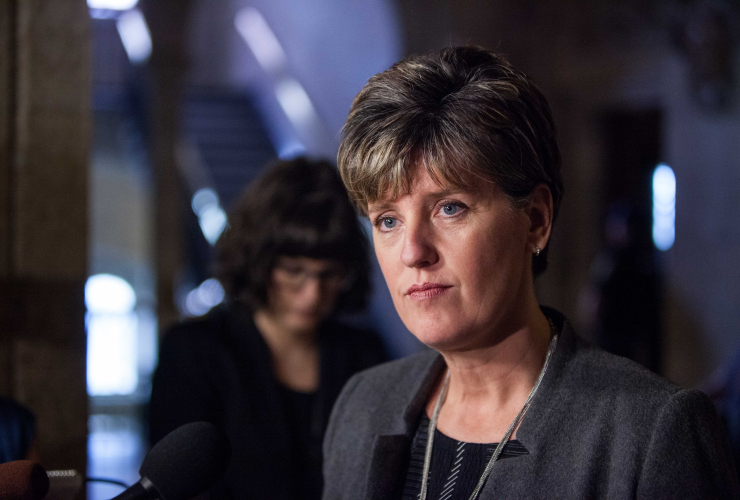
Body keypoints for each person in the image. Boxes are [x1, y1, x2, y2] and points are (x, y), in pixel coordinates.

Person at [322, 46, 738, 499]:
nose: (413, 252)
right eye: (388, 220)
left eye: (449, 208)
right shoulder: (361, 405)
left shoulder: (652, 433)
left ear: (536, 219)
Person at [149, 158, 387, 500]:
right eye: (294, 271)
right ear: (259, 260)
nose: (312, 294)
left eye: (329, 274)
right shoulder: (195, 351)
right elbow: (180, 487)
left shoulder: (364, 354)